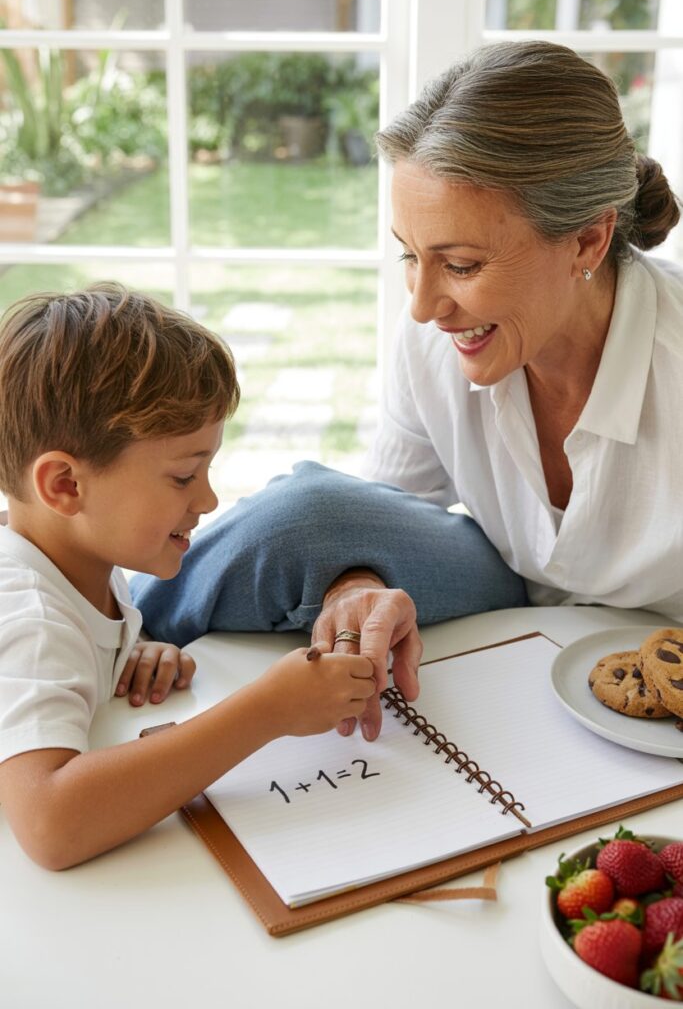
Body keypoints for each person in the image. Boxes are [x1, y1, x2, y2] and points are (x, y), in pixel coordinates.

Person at [131, 40, 682, 742]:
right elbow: (384, 510)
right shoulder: (436, 337)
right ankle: (107, 629)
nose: (423, 306)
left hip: (656, 638)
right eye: (408, 255)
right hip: (507, 575)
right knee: (309, 512)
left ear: (586, 241)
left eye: (459, 263)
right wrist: (356, 587)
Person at [0, 284, 375, 869]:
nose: (208, 499)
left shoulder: (76, 565)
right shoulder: (32, 617)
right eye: (182, 478)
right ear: (66, 486)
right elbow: (51, 824)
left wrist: (131, 651)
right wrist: (268, 711)